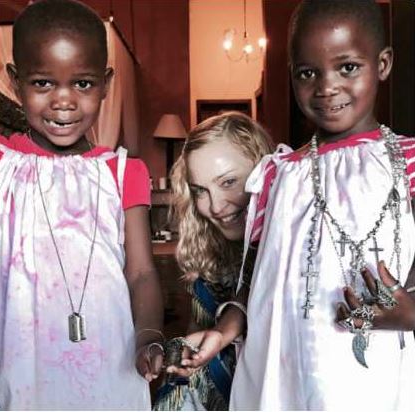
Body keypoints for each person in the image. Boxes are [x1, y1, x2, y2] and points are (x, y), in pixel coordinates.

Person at [171, 1, 415, 410]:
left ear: (383, 64)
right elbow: (257, 282)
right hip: (283, 373)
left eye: (347, 67)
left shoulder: (407, 163)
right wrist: (223, 332)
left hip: (372, 376)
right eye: (307, 73)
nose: (327, 87)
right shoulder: (277, 174)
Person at [0, 0, 164, 409]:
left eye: (83, 84)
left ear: (105, 83)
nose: (64, 101)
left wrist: (148, 334)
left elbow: (141, 272)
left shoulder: (123, 173)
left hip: (108, 357)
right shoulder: (3, 166)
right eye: (43, 83)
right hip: (21, 361)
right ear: (15, 81)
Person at [153, 112, 273, 410]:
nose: (216, 207)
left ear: (265, 172)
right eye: (200, 191)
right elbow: (197, 332)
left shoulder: (294, 253)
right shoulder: (208, 251)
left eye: (229, 182)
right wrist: (185, 359)